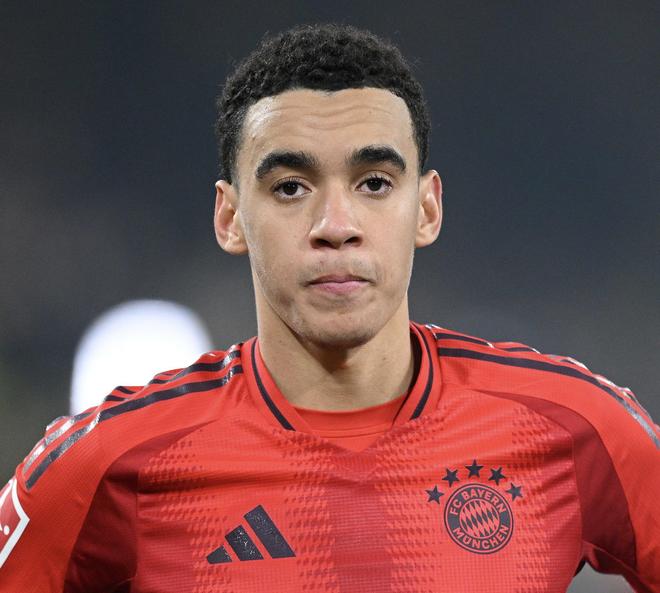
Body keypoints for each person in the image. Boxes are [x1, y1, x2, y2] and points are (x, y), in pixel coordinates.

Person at [1, 23, 658, 593]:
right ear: (230, 218)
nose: (336, 225)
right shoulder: (107, 464)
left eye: (374, 183)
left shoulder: (574, 427)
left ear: (426, 208)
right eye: (291, 187)